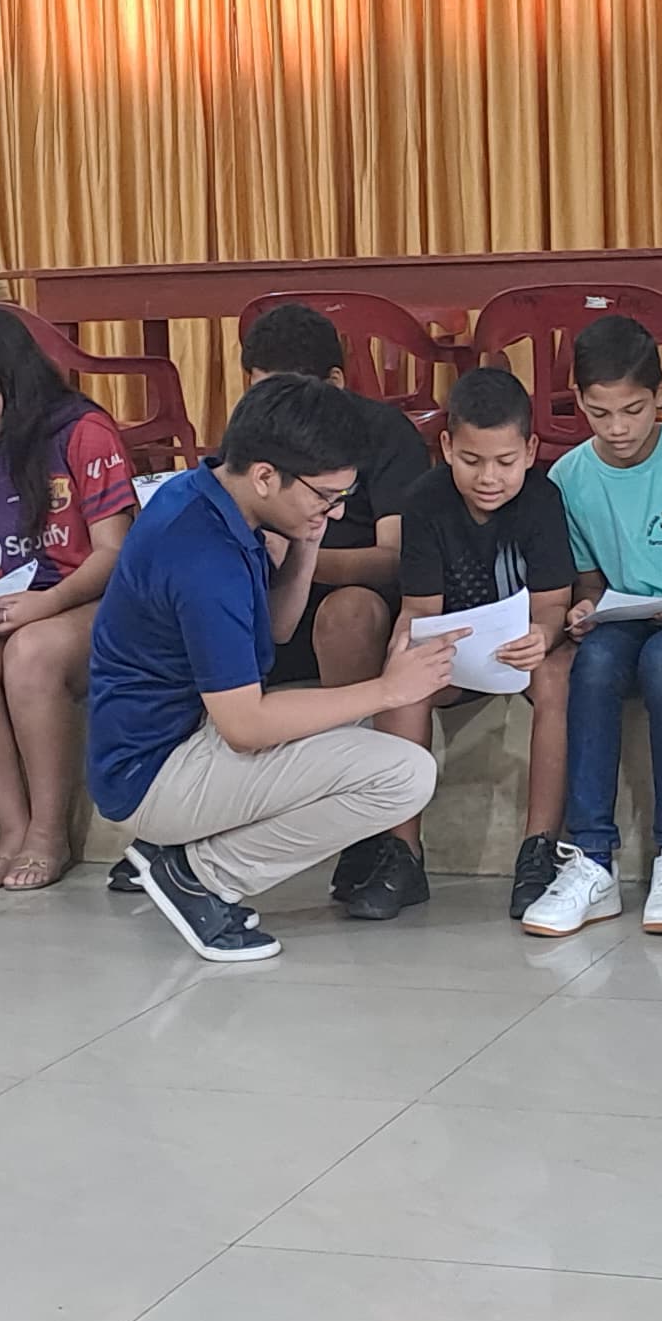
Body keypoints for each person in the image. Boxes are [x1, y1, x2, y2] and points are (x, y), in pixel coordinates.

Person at [98, 375, 454, 962]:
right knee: (403, 774)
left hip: (179, 740)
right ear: (265, 475)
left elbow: (276, 630)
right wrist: (389, 689)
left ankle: (181, 859)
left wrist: (309, 541)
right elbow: (246, 726)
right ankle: (200, 874)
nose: (335, 509)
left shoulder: (205, 494)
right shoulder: (202, 557)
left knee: (355, 728)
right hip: (154, 771)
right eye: (325, 496)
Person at [238, 305, 442, 917]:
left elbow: (394, 559)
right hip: (269, 603)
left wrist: (303, 555)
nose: (273, 414)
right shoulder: (252, 438)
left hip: (354, 609)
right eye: (260, 393)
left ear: (333, 383)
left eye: (286, 393)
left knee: (347, 613)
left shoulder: (383, 433)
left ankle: (372, 829)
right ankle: (169, 832)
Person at [0, 306, 139, 890]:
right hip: (5, 599)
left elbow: (114, 554)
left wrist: (45, 605)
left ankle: (49, 833)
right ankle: (12, 828)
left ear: (18, 383)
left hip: (89, 599)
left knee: (31, 652)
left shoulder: (81, 430)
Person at [374, 370, 582, 931]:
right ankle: (400, 852)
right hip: (456, 651)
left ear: (530, 451)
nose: (489, 477)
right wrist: (406, 641)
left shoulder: (542, 499)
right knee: (403, 679)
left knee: (557, 677)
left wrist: (543, 636)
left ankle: (539, 848)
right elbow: (420, 607)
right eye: (471, 460)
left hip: (523, 650)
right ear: (446, 447)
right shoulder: (425, 501)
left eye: (505, 462)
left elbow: (552, 605)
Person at [549, 316, 662, 940]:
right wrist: (583, 610)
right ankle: (591, 858)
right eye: (599, 413)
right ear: (578, 400)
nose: (618, 429)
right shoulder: (569, 476)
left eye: (632, 410)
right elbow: (587, 579)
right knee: (594, 663)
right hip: (624, 612)